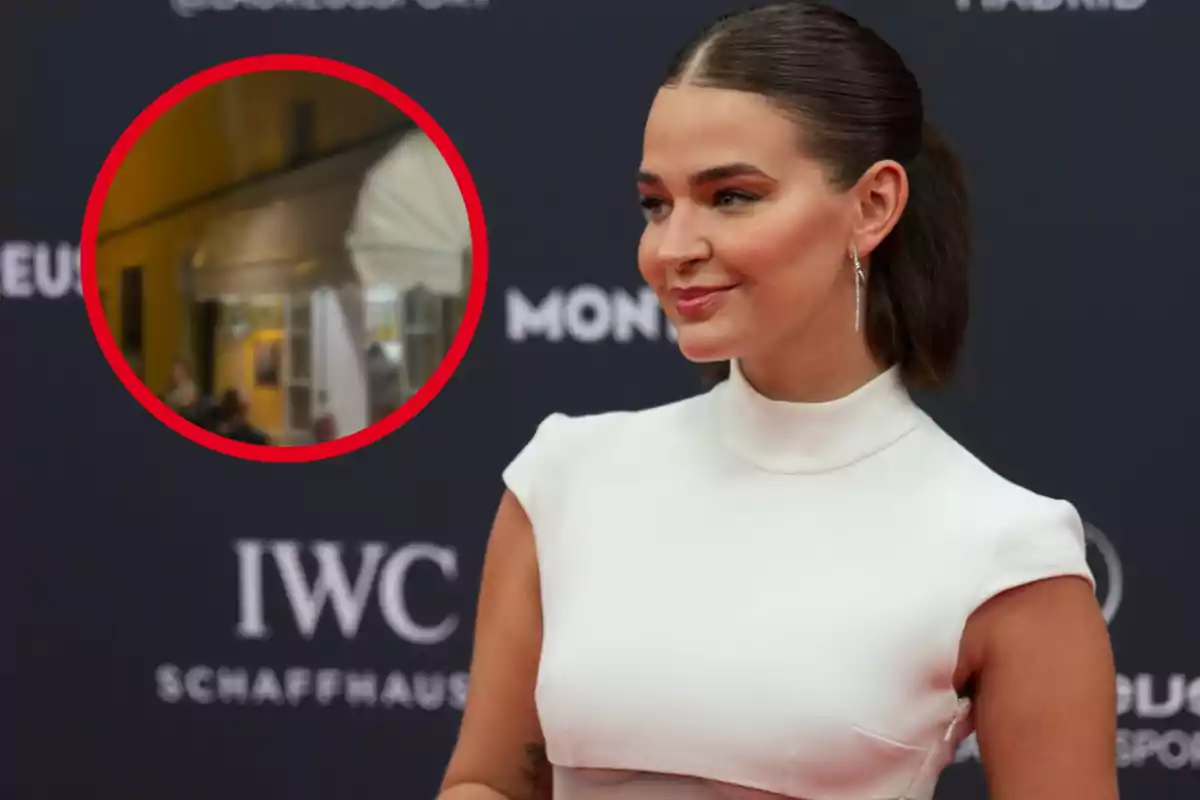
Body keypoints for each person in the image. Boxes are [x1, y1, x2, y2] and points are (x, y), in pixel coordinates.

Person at [438, 4, 1117, 800]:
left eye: (731, 197)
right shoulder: (564, 479)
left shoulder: (1007, 549)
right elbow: (487, 784)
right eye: (656, 204)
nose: (672, 249)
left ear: (872, 206)